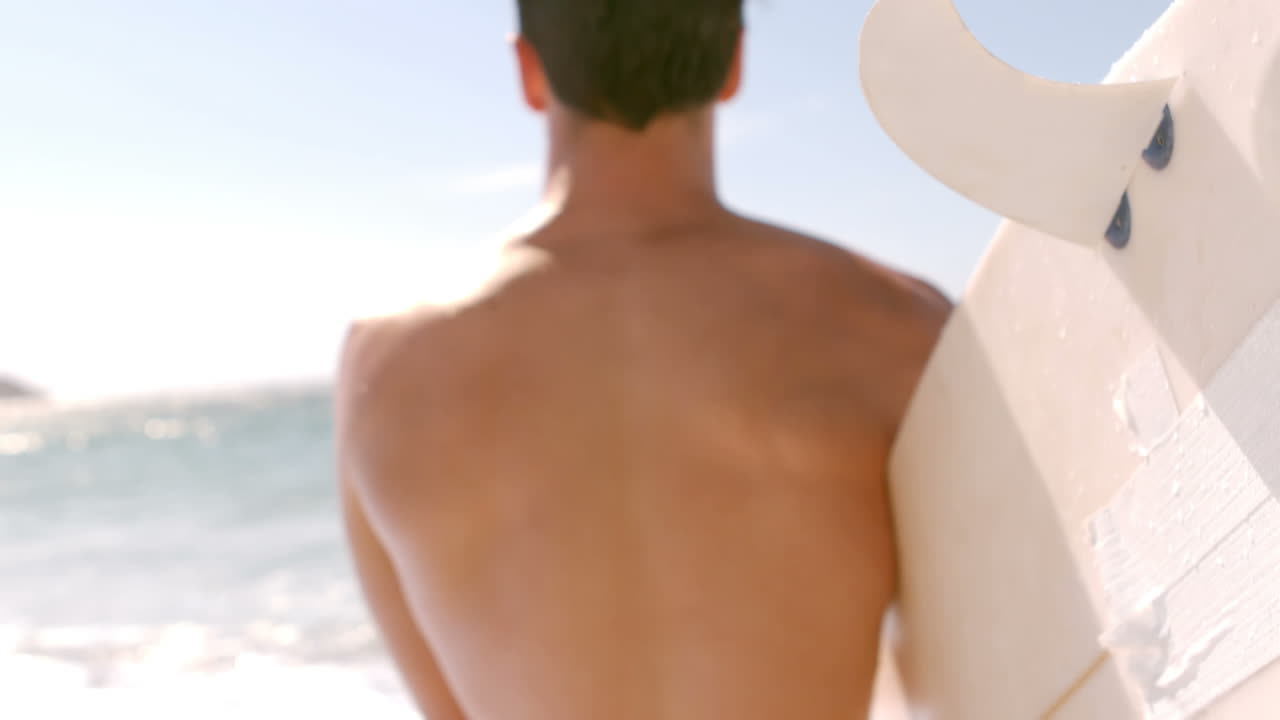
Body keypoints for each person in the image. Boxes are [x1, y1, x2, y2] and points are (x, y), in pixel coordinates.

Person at [336, 2, 951, 718]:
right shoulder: (894, 321)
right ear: (732, 65)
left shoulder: (386, 361)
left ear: (529, 71)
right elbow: (998, 654)